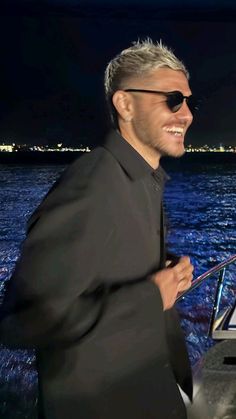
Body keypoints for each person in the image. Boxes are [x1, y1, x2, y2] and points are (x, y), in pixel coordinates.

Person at [0, 39, 195, 418]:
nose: (186, 114)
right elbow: (22, 322)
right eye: (173, 99)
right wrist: (151, 296)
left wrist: (162, 273)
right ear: (125, 105)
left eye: (189, 102)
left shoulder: (142, 180)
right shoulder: (92, 186)